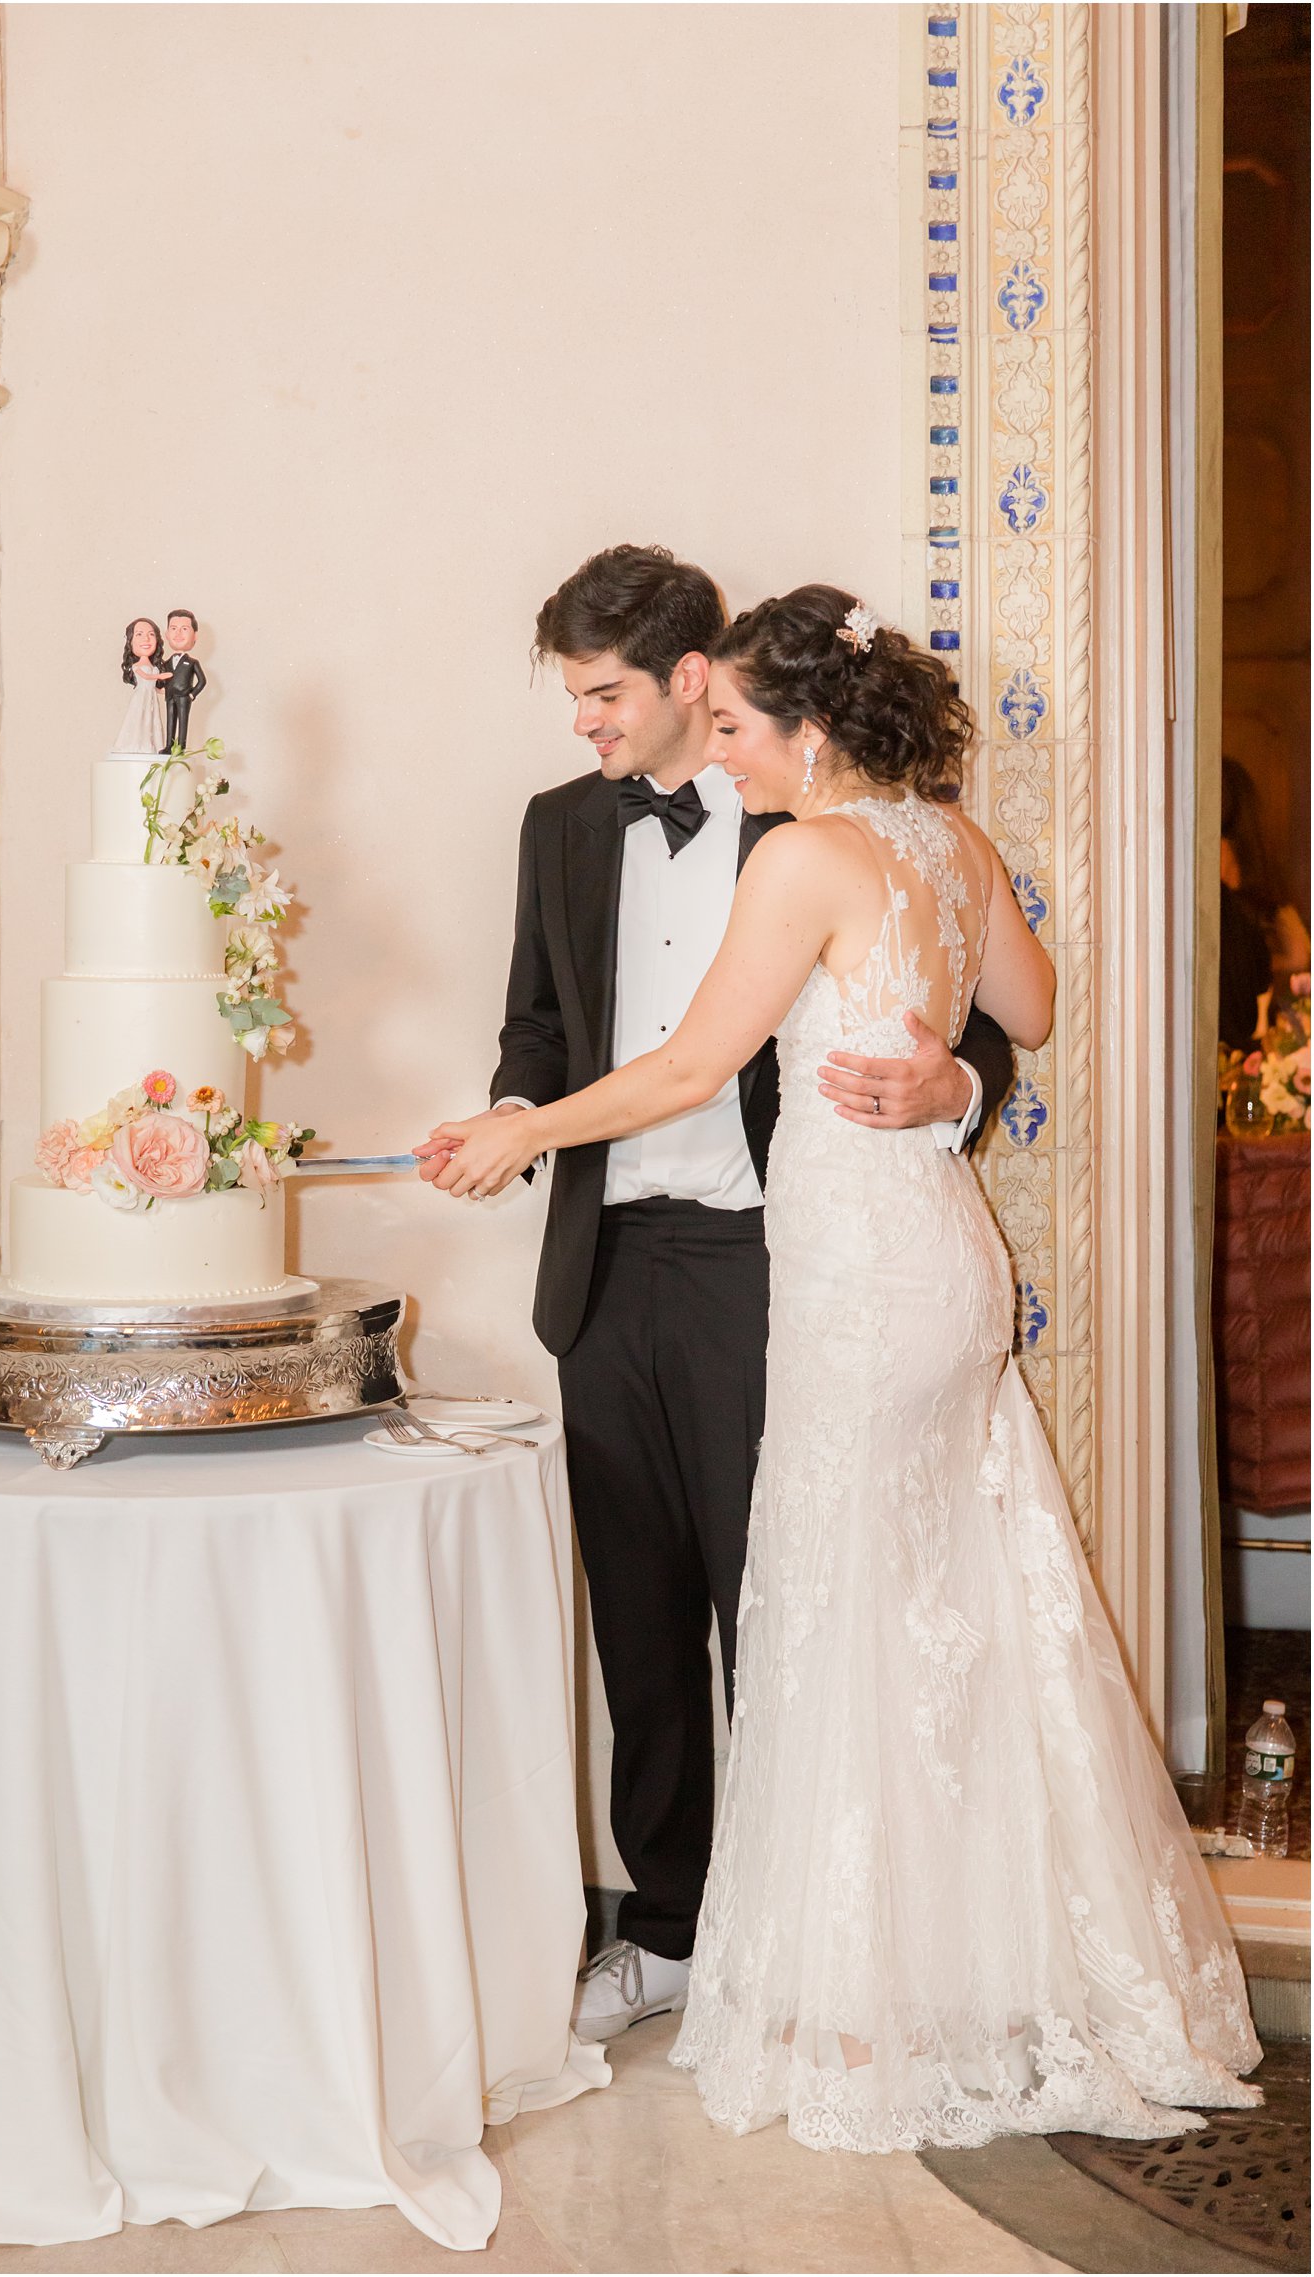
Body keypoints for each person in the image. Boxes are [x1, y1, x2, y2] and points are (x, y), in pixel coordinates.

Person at [419, 585, 1262, 2149]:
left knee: (841, 1606)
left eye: (735, 725)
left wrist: (528, 1127)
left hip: (855, 1281)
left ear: (805, 727)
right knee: (958, 1604)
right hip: (942, 1261)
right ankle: (982, 1956)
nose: (722, 752)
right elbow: (1038, 1002)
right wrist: (944, 1054)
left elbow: (691, 1062)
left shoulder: (808, 849)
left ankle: (869, 1992)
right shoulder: (952, 841)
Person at [420, 546, 1015, 2044]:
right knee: (640, 1612)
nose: (584, 726)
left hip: (777, 1257)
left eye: (603, 694)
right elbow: (534, 1023)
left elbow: (959, 1020)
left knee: (790, 1599)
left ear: (699, 684)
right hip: (607, 1258)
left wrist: (952, 1079)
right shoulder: (558, 828)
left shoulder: (818, 828)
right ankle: (672, 1930)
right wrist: (510, 1110)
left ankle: (798, 1930)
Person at [1221, 755, 1310, 1027]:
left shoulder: (1219, 853)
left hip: (1245, 1023)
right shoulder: (1260, 868)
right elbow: (1300, 953)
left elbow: (1300, 954)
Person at [112, 617, 170, 754]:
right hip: (141, 697)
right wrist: (159, 676)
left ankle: (153, 745)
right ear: (130, 642)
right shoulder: (136, 666)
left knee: (152, 720)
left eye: (151, 634)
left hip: (151, 698)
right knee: (139, 719)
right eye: (139, 634)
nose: (146, 639)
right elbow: (146, 677)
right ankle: (137, 745)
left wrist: (166, 691)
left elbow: (152, 686)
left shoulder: (152, 665)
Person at [161, 608, 207, 754]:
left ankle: (180, 746)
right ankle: (169, 745)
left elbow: (202, 681)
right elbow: (161, 680)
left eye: (184, 629)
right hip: (169, 697)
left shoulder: (192, 662)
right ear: (167, 634)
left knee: (183, 721)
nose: (178, 633)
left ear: (195, 635)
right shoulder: (165, 663)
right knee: (170, 720)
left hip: (184, 697)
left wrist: (192, 695)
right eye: (173, 628)